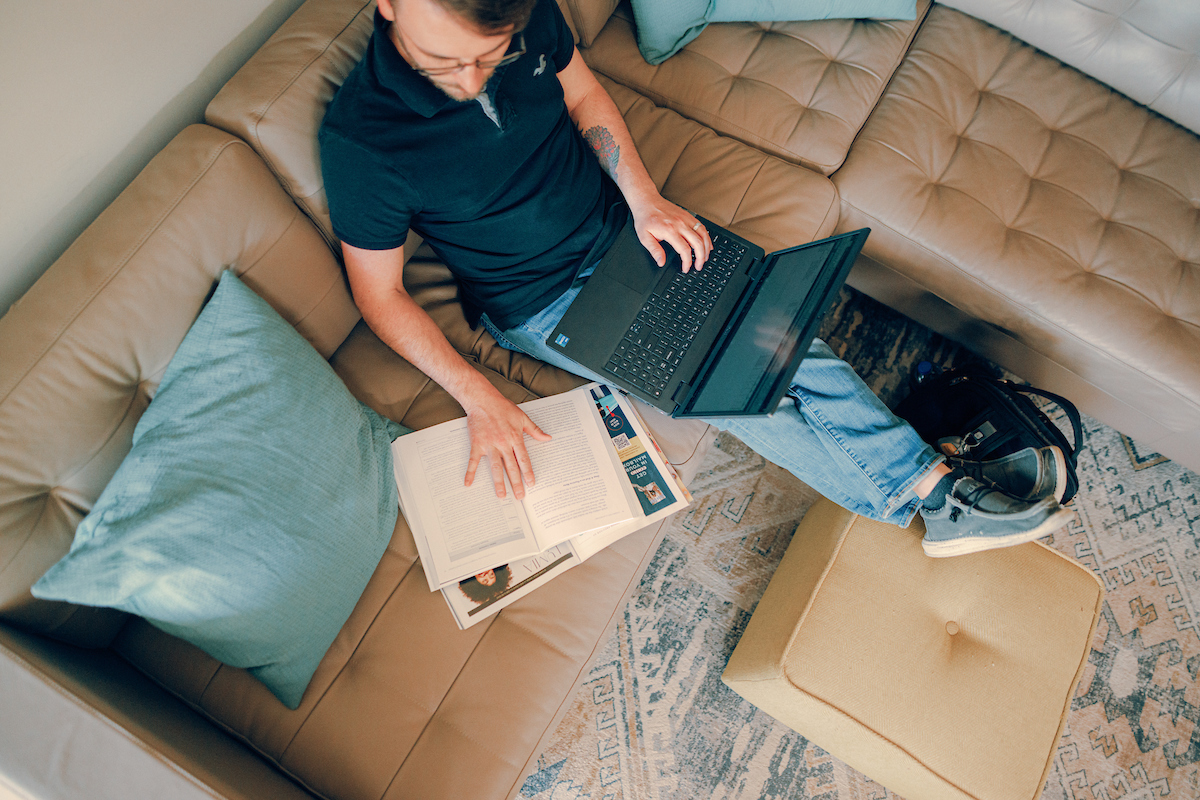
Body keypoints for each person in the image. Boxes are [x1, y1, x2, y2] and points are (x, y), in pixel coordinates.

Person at [319, 0, 1074, 557]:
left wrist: (643, 199)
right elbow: (378, 295)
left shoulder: (526, 20)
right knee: (729, 385)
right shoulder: (363, 142)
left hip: (622, 231)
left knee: (776, 326)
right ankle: (933, 493)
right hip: (544, 301)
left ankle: (928, 489)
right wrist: (478, 396)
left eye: (490, 56)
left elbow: (582, 94)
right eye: (445, 62)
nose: (470, 80)